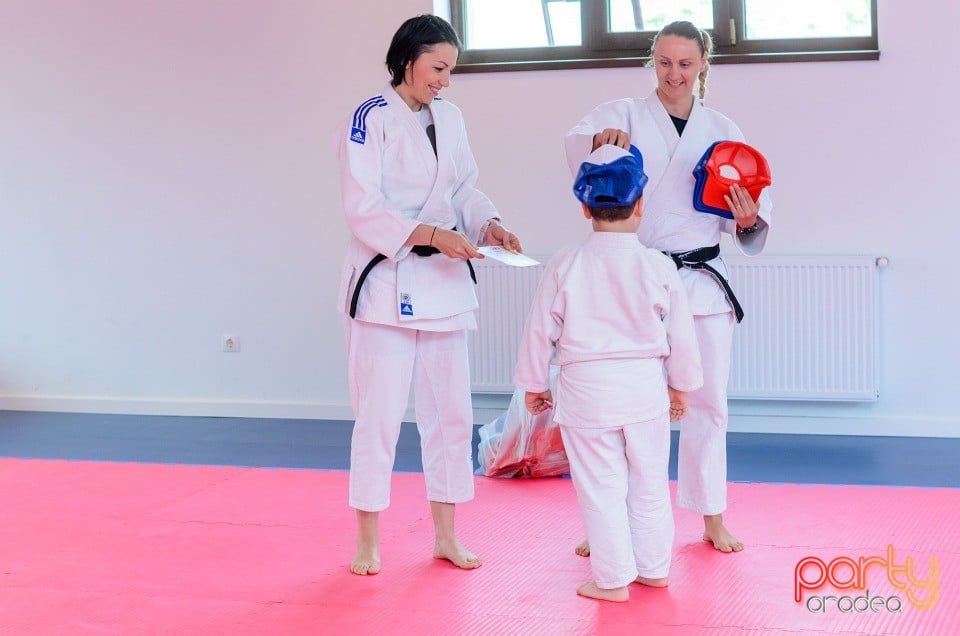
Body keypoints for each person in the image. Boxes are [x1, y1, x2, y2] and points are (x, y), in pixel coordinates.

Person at [563, 20, 772, 554]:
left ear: (703, 64)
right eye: (664, 63)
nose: (674, 74)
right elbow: (581, 161)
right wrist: (597, 143)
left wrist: (746, 219)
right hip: (638, 279)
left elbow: (747, 224)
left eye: (685, 64)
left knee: (709, 404)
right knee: (624, 405)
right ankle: (607, 520)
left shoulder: (725, 129)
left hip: (701, 282)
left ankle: (711, 515)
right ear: (652, 61)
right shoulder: (621, 116)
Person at [335, 14, 522, 576]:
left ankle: (446, 536)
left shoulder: (451, 117)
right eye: (438, 68)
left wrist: (488, 224)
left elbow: (464, 187)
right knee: (379, 416)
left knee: (450, 416)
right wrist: (429, 235)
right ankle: (368, 541)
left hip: (443, 284)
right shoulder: (370, 118)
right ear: (408, 58)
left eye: (451, 71)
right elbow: (361, 205)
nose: (444, 80)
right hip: (386, 282)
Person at [514, 144, 703, 602]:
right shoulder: (657, 265)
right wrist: (681, 387)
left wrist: (535, 383)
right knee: (650, 482)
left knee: (601, 487)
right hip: (643, 392)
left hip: (587, 395)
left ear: (584, 207)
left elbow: (540, 330)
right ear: (641, 204)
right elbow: (681, 335)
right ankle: (655, 570)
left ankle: (613, 579)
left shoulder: (565, 264)